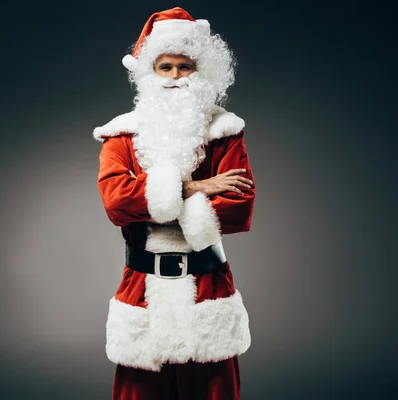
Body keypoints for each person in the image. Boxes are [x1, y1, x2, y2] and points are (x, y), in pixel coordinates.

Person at [93, 7, 256, 399]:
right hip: (142, 288)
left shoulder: (225, 131)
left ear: (201, 73)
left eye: (185, 66)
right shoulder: (122, 135)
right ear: (150, 73)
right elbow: (116, 202)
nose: (176, 76)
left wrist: (156, 202)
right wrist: (196, 186)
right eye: (165, 66)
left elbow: (239, 206)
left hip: (207, 286)